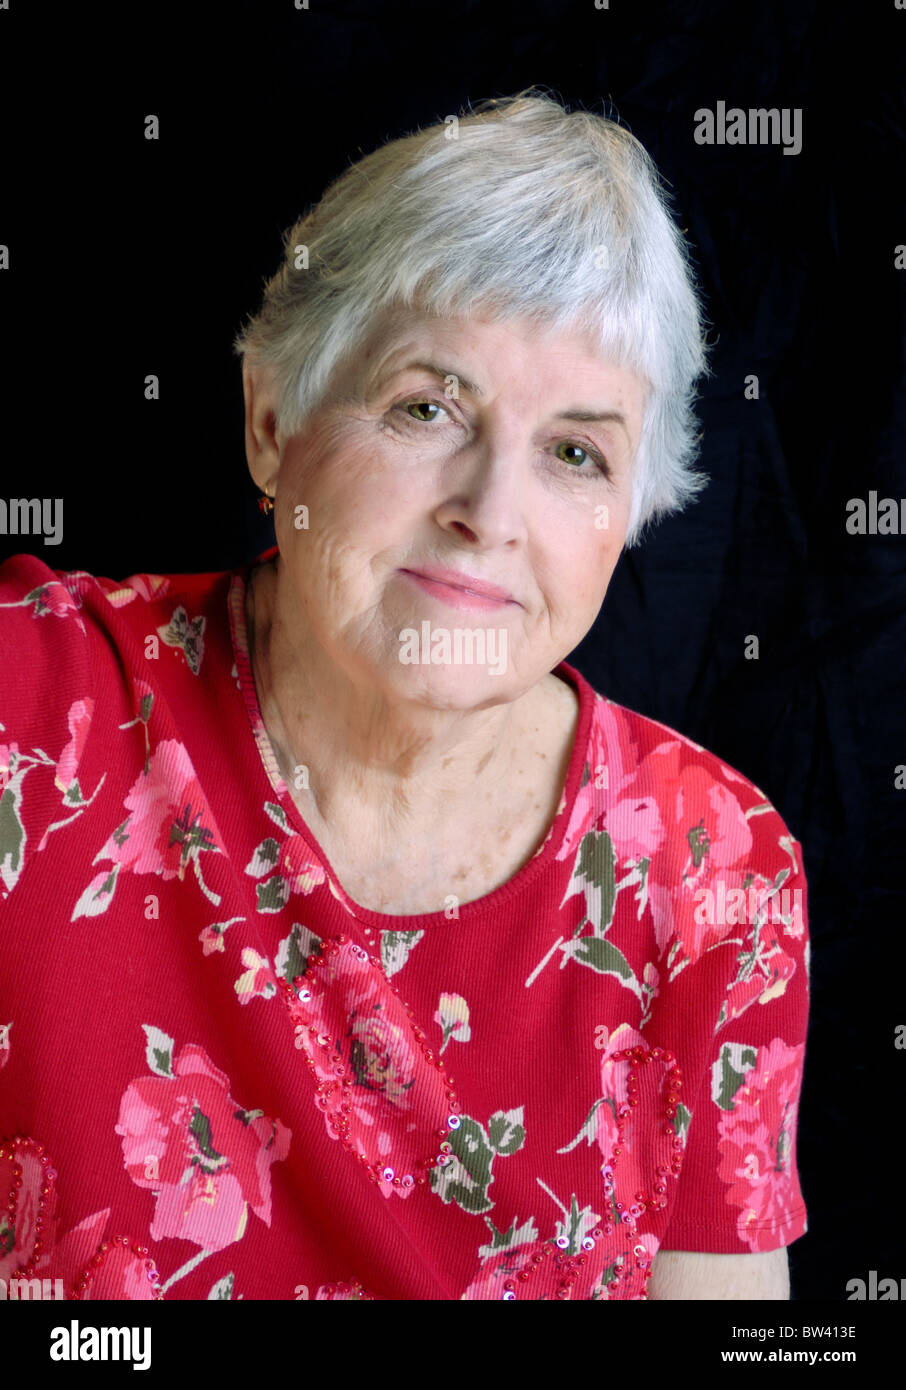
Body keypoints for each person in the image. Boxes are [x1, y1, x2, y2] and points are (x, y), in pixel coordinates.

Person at [0, 89, 808, 1301]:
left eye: (575, 452)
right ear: (273, 423)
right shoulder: (33, 712)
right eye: (427, 406)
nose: (489, 512)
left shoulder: (715, 868)